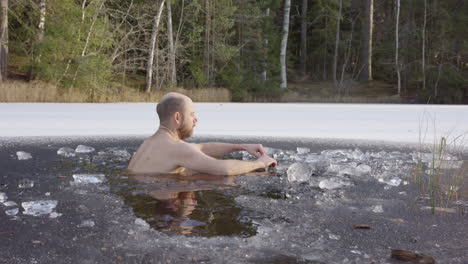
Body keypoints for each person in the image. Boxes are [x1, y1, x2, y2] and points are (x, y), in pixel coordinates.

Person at [127, 92, 277, 175]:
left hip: (148, 192)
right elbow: (224, 169)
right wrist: (259, 163)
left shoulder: (149, 143)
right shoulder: (177, 149)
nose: (195, 119)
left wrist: (241, 147)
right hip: (166, 205)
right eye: (191, 114)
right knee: (224, 181)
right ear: (178, 117)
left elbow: (201, 148)